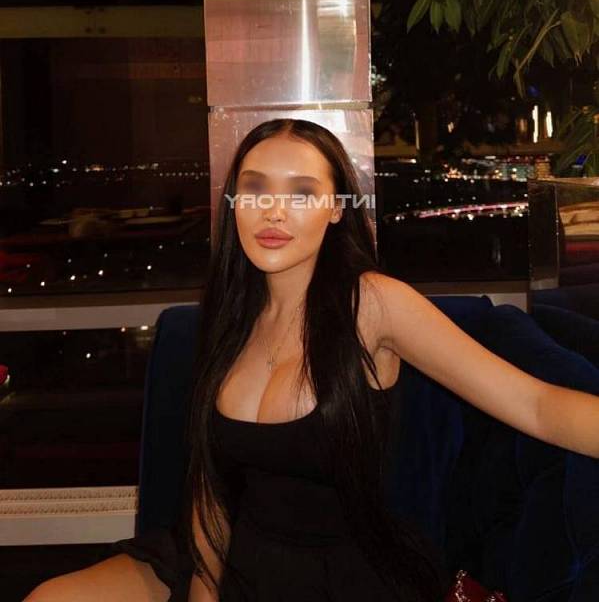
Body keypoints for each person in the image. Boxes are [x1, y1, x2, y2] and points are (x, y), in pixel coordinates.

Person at [24, 118, 599, 602]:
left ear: (336, 210)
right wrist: (205, 589)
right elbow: (211, 484)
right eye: (255, 189)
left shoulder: (372, 304)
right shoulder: (230, 313)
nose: (274, 212)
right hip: (220, 553)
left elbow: (537, 404)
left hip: (338, 574)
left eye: (301, 193)